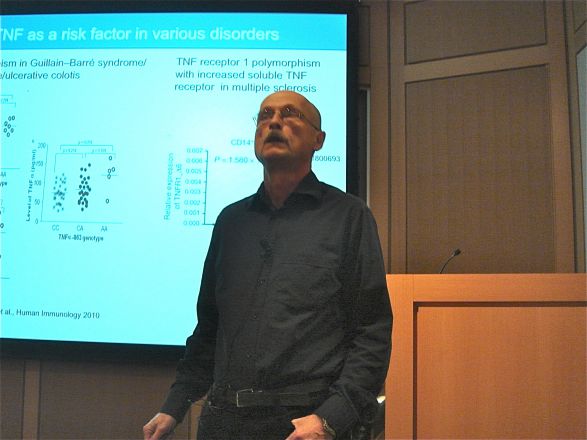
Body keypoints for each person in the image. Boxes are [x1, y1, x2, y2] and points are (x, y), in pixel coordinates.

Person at [143, 91, 392, 440]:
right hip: (222, 423)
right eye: (264, 116)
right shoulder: (231, 221)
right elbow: (210, 326)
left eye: (290, 114)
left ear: (318, 140)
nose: (274, 122)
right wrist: (175, 404)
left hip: (303, 425)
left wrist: (330, 418)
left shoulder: (349, 216)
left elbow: (372, 331)